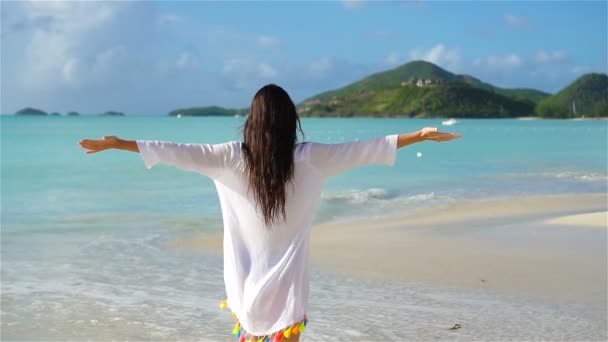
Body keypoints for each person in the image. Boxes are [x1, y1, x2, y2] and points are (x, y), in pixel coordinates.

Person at [79, 84, 461, 342]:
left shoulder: (228, 157)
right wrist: (420, 136)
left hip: (244, 293)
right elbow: (366, 149)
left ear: (253, 120)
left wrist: (119, 144)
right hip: (288, 295)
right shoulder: (310, 159)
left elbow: (172, 150)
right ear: (289, 120)